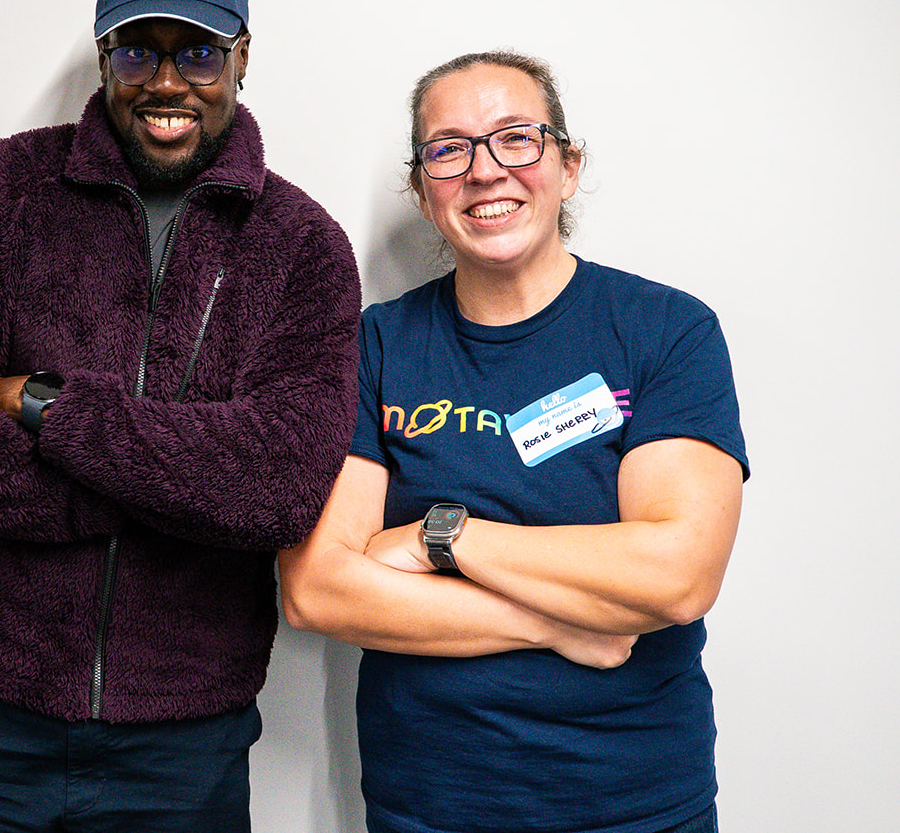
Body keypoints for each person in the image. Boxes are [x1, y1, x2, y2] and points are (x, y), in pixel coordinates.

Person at [0, 0, 360, 831]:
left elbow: (279, 486)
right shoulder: (1, 189)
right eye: (137, 51)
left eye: (197, 52)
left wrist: (48, 405)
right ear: (103, 58)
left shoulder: (302, 244)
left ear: (243, 57)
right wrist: (171, 487)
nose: (167, 82)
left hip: (183, 745)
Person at [280, 51, 748, 833]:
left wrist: (446, 538)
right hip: (431, 804)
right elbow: (317, 588)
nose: (485, 170)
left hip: (632, 805)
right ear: (424, 190)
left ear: (567, 166)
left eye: (516, 139)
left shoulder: (665, 330)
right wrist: (565, 621)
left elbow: (676, 576)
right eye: (449, 148)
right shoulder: (377, 346)